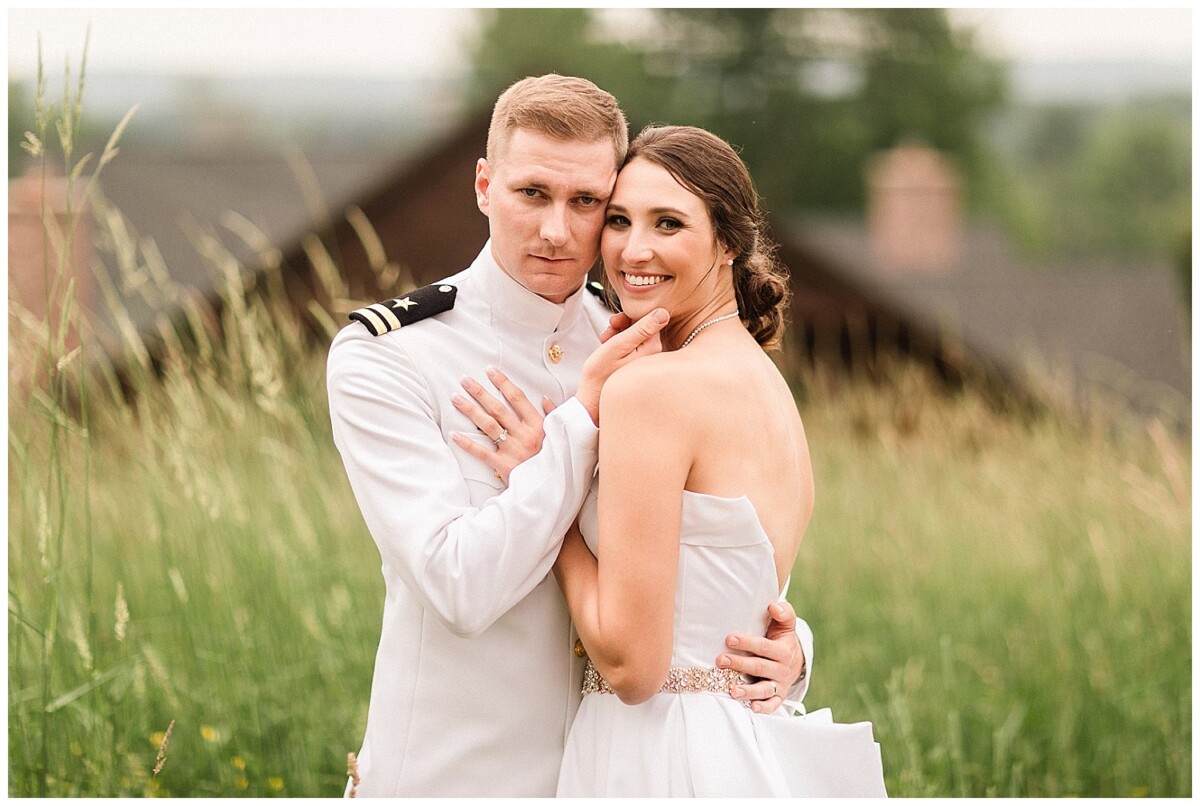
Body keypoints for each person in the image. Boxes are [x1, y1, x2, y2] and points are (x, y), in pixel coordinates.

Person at [325, 75, 813, 798]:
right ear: (485, 185)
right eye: (532, 194)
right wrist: (575, 424)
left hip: (624, 770)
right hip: (458, 779)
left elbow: (718, 542)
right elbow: (458, 587)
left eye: (587, 202)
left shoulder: (651, 344)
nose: (557, 230)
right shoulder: (390, 357)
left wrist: (790, 652)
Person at [469, 124, 888, 796]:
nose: (635, 250)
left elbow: (633, 669)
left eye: (668, 223)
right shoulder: (764, 381)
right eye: (618, 220)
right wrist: (795, 648)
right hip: (746, 743)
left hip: (661, 755)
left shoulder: (653, 390)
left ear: (728, 242)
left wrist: (539, 489)